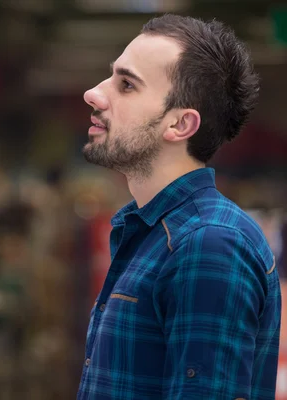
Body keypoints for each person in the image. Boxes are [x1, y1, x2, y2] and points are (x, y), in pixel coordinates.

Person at [78, 14, 281, 400]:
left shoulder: (208, 245)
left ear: (180, 124)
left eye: (126, 85)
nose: (94, 93)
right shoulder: (152, 232)